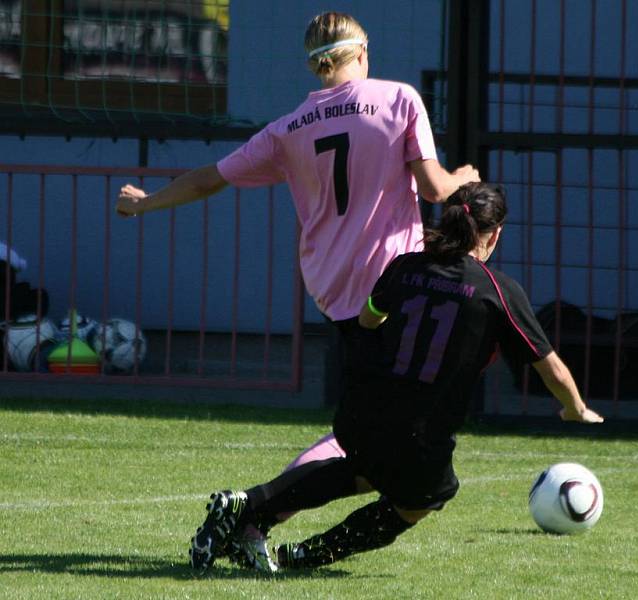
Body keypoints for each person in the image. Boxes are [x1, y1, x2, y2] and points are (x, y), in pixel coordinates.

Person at [115, 11, 480, 565]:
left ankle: (253, 516)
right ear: (363, 52)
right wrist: (464, 178)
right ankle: (251, 513)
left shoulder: (289, 128)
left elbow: (210, 177)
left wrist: (146, 204)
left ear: (314, 62)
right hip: (394, 288)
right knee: (378, 439)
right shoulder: (399, 98)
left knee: (373, 429)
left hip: (333, 289)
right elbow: (434, 187)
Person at [188, 182, 604, 574]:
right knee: (425, 497)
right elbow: (549, 365)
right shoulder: (498, 291)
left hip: (361, 407)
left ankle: (245, 505)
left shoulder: (405, 267)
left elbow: (369, 317)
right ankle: (304, 554)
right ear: (494, 235)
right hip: (419, 428)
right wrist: (576, 408)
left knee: (367, 470)